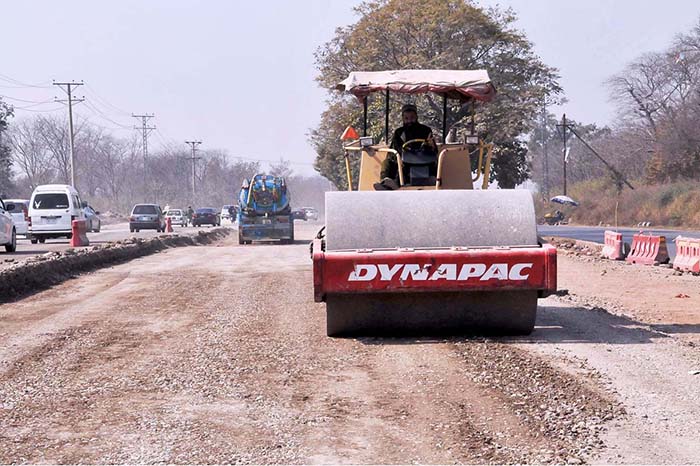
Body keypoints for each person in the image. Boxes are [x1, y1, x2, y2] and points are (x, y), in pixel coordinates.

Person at [374, 103, 437, 190]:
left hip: (423, 160)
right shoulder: (399, 133)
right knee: (387, 162)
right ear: (403, 119)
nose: (409, 121)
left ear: (416, 117)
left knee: (433, 162)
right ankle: (387, 183)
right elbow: (393, 150)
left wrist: (430, 146)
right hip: (404, 160)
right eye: (406, 118)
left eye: (412, 118)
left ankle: (431, 180)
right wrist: (402, 154)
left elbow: (434, 150)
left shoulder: (426, 130)